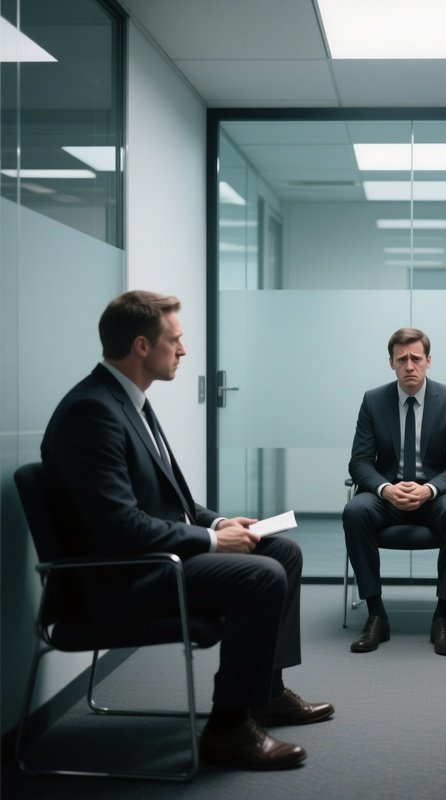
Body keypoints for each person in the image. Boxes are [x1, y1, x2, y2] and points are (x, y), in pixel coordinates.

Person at [41, 290, 334, 771]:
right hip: (118, 579)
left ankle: (265, 693)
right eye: (175, 340)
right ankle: (228, 728)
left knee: (280, 551)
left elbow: (169, 501)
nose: (183, 350)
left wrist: (218, 522)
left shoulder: (129, 401)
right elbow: (119, 529)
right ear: (141, 345)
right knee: (262, 576)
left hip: (151, 560)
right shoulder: (91, 412)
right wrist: (215, 542)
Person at [342, 327, 446, 656]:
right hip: (387, 496)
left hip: (435, 496)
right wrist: (385, 489)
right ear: (391, 363)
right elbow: (359, 462)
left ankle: (443, 615)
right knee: (355, 512)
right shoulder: (374, 401)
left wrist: (429, 489)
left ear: (429, 361)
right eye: (402, 359)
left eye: (416, 358)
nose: (409, 365)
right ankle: (376, 613)